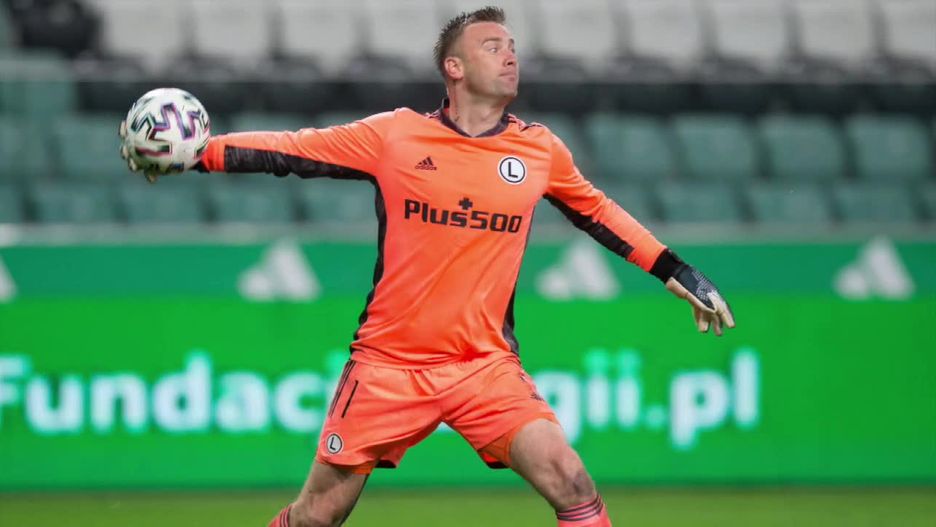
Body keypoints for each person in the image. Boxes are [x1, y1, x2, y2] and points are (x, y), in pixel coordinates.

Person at [122, 7, 734, 527]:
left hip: (484, 366)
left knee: (571, 480)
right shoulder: (395, 137)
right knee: (316, 516)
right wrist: (200, 154)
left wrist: (678, 272)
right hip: (388, 366)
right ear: (454, 67)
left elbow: (599, 213)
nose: (510, 55)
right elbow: (292, 149)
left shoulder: (538, 149)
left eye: (513, 46)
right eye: (492, 46)